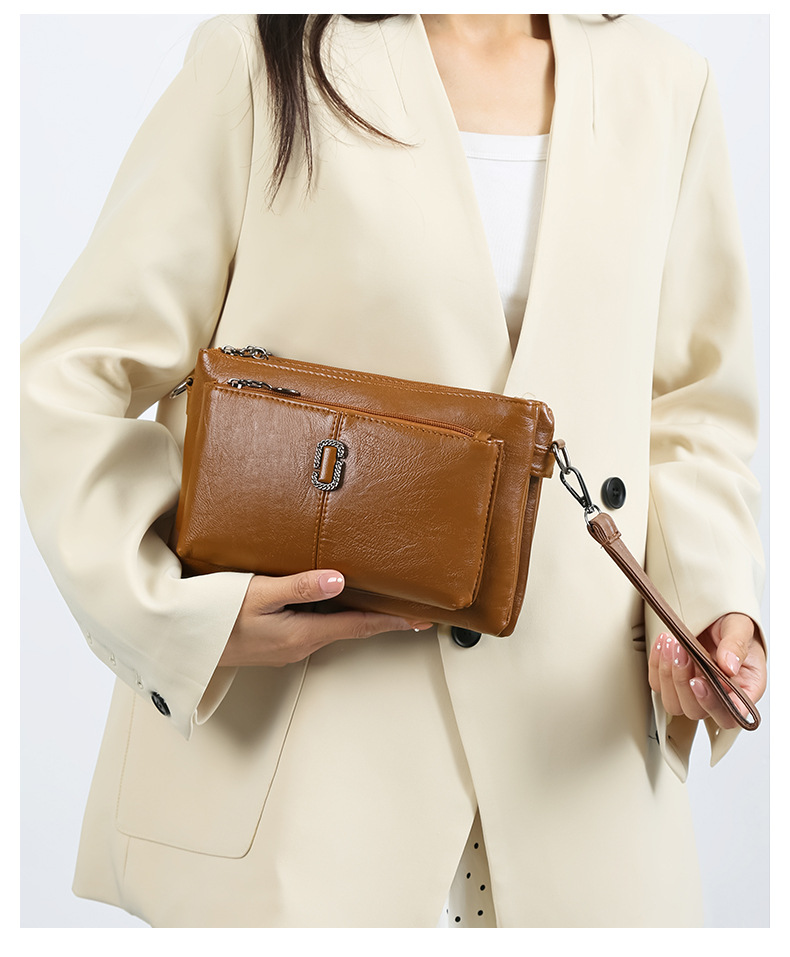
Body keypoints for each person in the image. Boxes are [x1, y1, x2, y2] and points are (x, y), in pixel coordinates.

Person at [20, 14, 767, 928]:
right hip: (309, 773)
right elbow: (76, 375)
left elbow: (690, 407)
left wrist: (711, 610)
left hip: (581, 773)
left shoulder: (667, 84)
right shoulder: (263, 56)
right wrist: (182, 615)